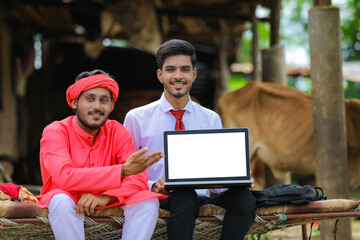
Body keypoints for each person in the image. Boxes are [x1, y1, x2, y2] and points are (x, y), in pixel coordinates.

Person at [124, 39, 256, 239]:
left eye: (185, 69)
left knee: (245, 198)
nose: (178, 76)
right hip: (161, 197)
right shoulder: (136, 118)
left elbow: (217, 180)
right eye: (170, 70)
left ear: (194, 74)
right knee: (184, 196)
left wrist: (237, 179)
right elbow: (126, 171)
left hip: (202, 197)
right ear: (160, 75)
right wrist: (152, 184)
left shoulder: (211, 118)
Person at [37, 70, 167, 240]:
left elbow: (137, 179)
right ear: (75, 102)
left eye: (104, 100)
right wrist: (122, 171)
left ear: (111, 106)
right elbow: (64, 177)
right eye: (90, 99)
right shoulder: (55, 131)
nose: (97, 106)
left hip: (109, 197)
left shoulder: (117, 131)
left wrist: (106, 197)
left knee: (147, 201)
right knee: (60, 201)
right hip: (67, 199)